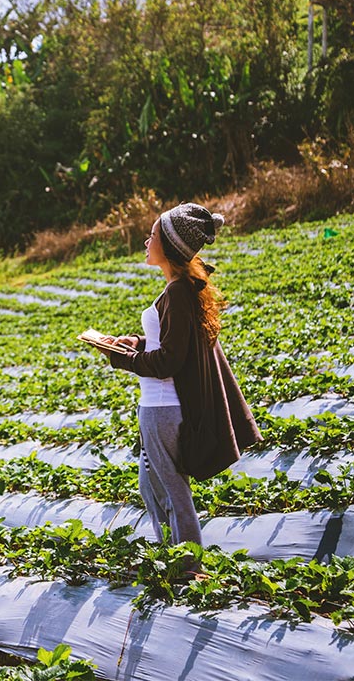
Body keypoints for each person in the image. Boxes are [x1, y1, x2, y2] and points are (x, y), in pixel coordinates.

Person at [98, 203, 261, 547]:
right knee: (150, 485)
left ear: (169, 246)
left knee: (172, 489)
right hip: (156, 407)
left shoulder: (176, 291)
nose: (146, 241)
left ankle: (186, 562)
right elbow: (173, 341)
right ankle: (173, 554)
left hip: (162, 409)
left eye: (153, 235)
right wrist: (136, 342)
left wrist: (123, 357)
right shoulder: (179, 288)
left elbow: (169, 361)